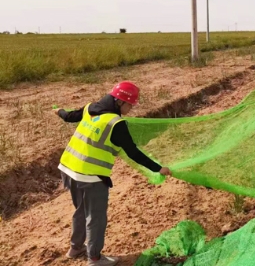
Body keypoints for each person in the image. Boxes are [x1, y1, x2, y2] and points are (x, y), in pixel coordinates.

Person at [54, 81, 172, 266]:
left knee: (81, 211)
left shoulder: (90, 108)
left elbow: (69, 116)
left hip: (68, 169)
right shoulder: (116, 123)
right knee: (96, 217)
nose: (131, 108)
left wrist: (59, 111)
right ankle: (94, 258)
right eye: (130, 104)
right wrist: (158, 168)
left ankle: (75, 247)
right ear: (118, 102)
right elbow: (133, 152)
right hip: (91, 176)